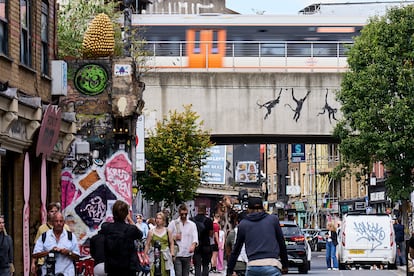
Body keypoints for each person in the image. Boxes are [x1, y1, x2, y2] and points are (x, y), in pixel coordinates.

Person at [227, 197, 288, 276]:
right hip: (272, 265)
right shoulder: (273, 220)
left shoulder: (243, 224)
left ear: (248, 209)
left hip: (253, 266)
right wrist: (285, 265)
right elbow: (281, 243)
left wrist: (230, 270)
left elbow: (236, 250)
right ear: (263, 208)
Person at [101, 200, 143, 276]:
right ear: (126, 214)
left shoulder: (106, 227)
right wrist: (130, 219)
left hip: (112, 267)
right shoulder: (131, 229)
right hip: (128, 267)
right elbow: (140, 234)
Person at [168, 204, 198, 276]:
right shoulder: (174, 223)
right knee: (178, 273)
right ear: (179, 213)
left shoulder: (192, 224)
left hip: (187, 254)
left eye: (185, 214)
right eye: (182, 214)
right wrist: (174, 237)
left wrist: (193, 246)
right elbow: (167, 236)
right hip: (177, 254)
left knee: (185, 274)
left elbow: (195, 237)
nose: (184, 216)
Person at [144, 212, 175, 276]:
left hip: (165, 256)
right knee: (153, 272)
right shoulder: (151, 231)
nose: (158, 220)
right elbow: (147, 244)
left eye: (160, 218)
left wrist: (172, 253)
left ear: (163, 220)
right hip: (154, 256)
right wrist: (145, 255)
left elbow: (171, 243)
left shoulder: (167, 231)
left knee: (165, 273)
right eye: (157, 218)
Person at [191, 204, 213, 276]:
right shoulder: (209, 221)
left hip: (196, 245)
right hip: (206, 245)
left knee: (197, 265)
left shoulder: (192, 220)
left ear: (198, 209)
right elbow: (211, 234)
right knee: (206, 265)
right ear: (205, 210)